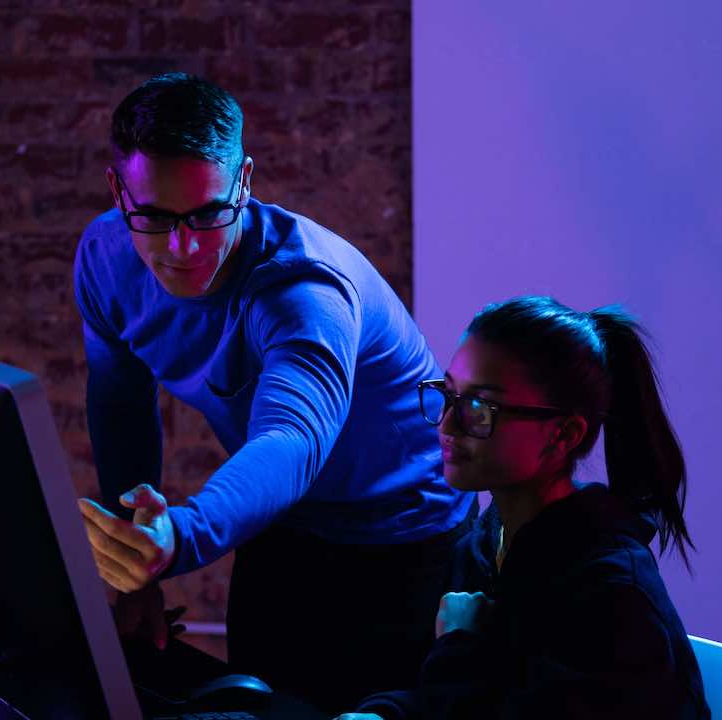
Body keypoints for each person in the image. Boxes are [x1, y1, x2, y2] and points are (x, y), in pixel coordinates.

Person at [72, 72, 475, 712]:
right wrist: (137, 574)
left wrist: (181, 535)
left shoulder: (305, 293)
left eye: (208, 214)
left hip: (405, 542)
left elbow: (291, 439)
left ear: (246, 183)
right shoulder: (105, 260)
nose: (183, 247)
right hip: (287, 527)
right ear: (118, 192)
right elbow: (120, 402)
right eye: (154, 217)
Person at [339, 296, 711, 720]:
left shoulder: (609, 592)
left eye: (480, 408)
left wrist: (457, 643)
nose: (447, 425)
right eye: (450, 395)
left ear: (564, 434)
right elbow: (451, 696)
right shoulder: (487, 543)